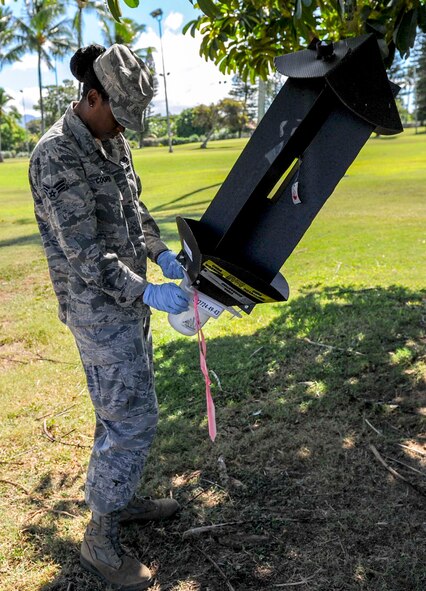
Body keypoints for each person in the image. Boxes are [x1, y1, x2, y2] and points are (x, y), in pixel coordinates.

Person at [29, 43, 190, 590]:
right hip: (99, 312)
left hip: (131, 302)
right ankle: (100, 540)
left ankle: (122, 499)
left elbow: (134, 207)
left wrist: (161, 253)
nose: (125, 130)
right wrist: (150, 292)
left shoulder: (110, 139)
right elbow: (85, 254)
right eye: (120, 115)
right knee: (132, 420)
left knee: (118, 413)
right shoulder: (56, 154)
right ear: (91, 96)